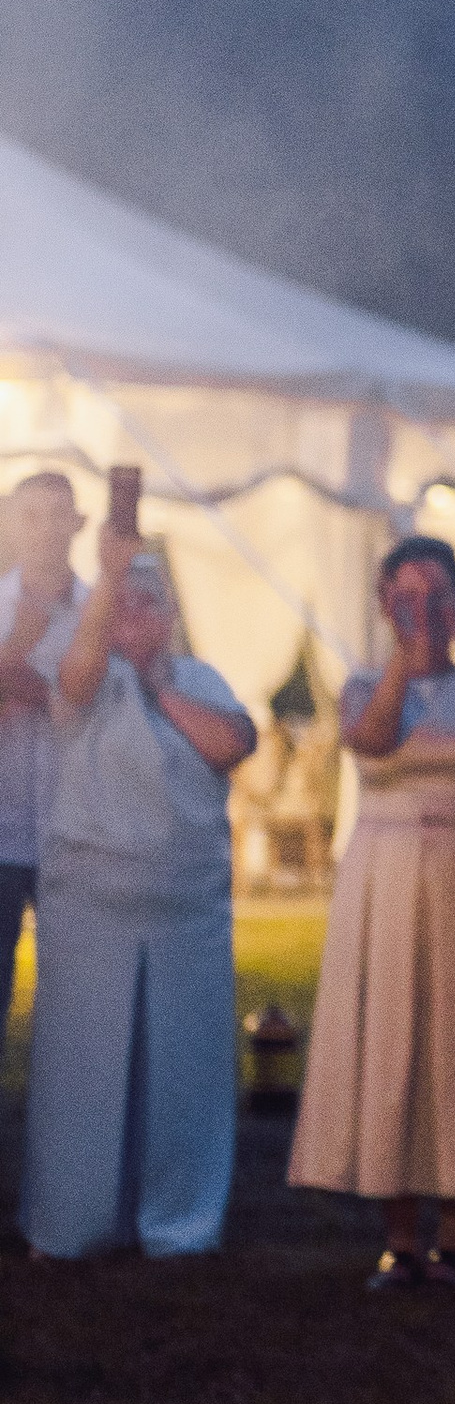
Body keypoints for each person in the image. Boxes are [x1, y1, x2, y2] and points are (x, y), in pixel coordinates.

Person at [288, 535, 455, 1285]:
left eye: (436, 595)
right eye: (405, 596)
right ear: (384, 604)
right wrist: (404, 663)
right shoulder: (364, 684)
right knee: (391, 1036)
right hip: (386, 873)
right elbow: (372, 740)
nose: (422, 610)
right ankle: (399, 1236)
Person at [22, 531, 255, 1260]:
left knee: (183, 1069)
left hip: (187, 904)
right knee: (81, 1068)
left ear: (171, 613)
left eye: (147, 603)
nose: (134, 615)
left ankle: (179, 1221)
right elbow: (76, 681)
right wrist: (108, 589)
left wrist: (160, 685)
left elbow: (231, 743)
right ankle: (73, 1221)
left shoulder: (200, 679)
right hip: (91, 901)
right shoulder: (81, 673)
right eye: (118, 603)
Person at [0, 470, 85, 1054]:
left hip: (75, 831)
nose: (46, 528)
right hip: (0, 832)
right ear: (11, 521)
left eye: (58, 514)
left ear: (78, 523)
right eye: (32, 514)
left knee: (78, 994)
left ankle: (70, 1108)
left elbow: (96, 704)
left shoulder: (101, 610)